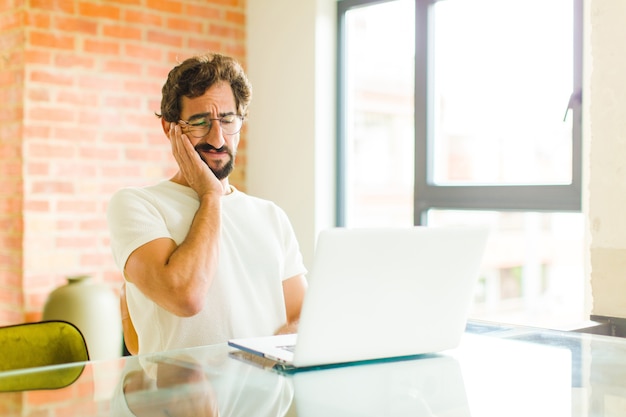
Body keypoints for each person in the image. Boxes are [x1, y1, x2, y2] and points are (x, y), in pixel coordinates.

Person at [107, 52, 308, 355]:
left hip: (263, 398)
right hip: (176, 401)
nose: (217, 138)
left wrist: (266, 363)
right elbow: (185, 295)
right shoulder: (137, 204)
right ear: (169, 128)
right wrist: (210, 196)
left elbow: (301, 317)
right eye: (200, 122)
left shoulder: (271, 216)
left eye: (228, 120)